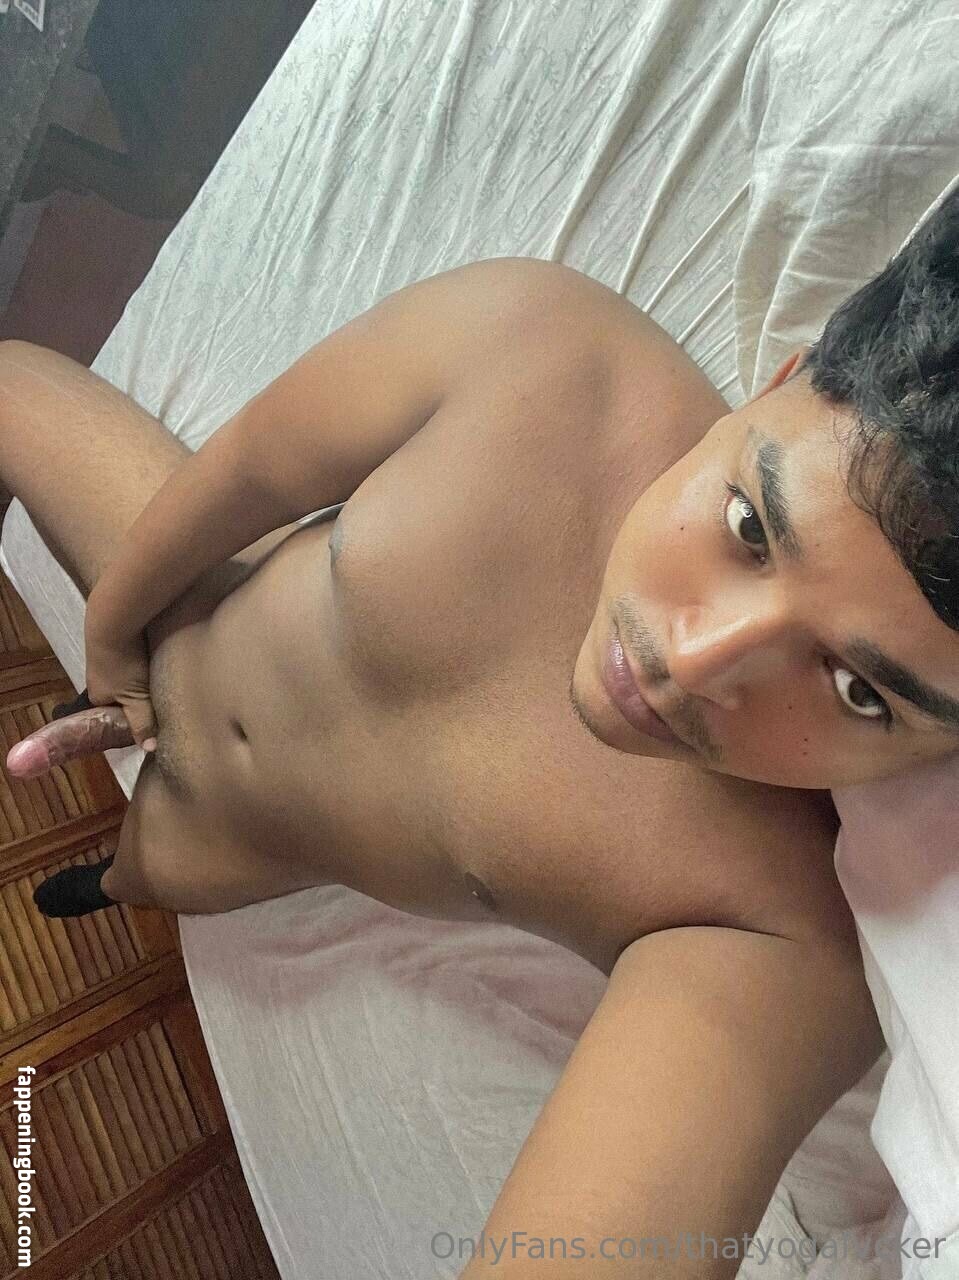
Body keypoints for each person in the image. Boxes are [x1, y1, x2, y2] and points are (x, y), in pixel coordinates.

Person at [3, 191, 958, 1275]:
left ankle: (97, 884)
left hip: (231, 849)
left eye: (858, 693)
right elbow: (254, 470)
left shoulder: (778, 939)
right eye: (748, 524)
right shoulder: (545, 347)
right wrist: (113, 633)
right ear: (775, 386)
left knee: (129, 878)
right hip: (184, 611)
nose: (687, 663)